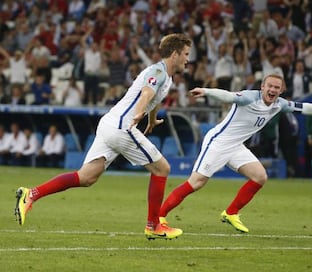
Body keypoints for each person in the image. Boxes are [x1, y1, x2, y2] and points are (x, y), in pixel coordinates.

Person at [14, 33, 192, 240]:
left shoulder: (166, 77)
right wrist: (139, 114)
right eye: (186, 54)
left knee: (86, 177)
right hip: (121, 126)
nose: (188, 58)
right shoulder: (158, 71)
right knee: (162, 168)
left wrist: (151, 119)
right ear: (175, 54)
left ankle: (31, 194)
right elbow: (146, 93)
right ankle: (153, 225)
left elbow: (154, 98)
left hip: (110, 124)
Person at [158, 74, 312, 234]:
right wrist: (206, 91)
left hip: (236, 146)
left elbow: (304, 107)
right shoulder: (249, 97)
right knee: (196, 182)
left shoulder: (279, 104)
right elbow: (227, 96)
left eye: (277, 87)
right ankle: (160, 217)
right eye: (270, 86)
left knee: (259, 176)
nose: (273, 90)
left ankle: (231, 212)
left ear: (281, 90)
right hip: (218, 142)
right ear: (262, 86)